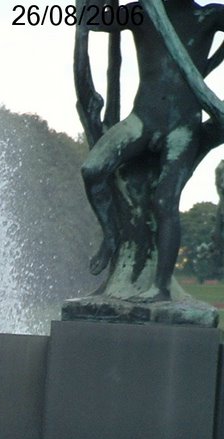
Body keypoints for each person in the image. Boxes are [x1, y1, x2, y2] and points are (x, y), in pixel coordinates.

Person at [80, 0, 224, 299]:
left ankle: (160, 288)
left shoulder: (208, 15)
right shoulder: (143, 11)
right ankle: (110, 236)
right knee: (92, 169)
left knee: (164, 202)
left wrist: (211, 63)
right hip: (143, 119)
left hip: (183, 126)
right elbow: (93, 21)